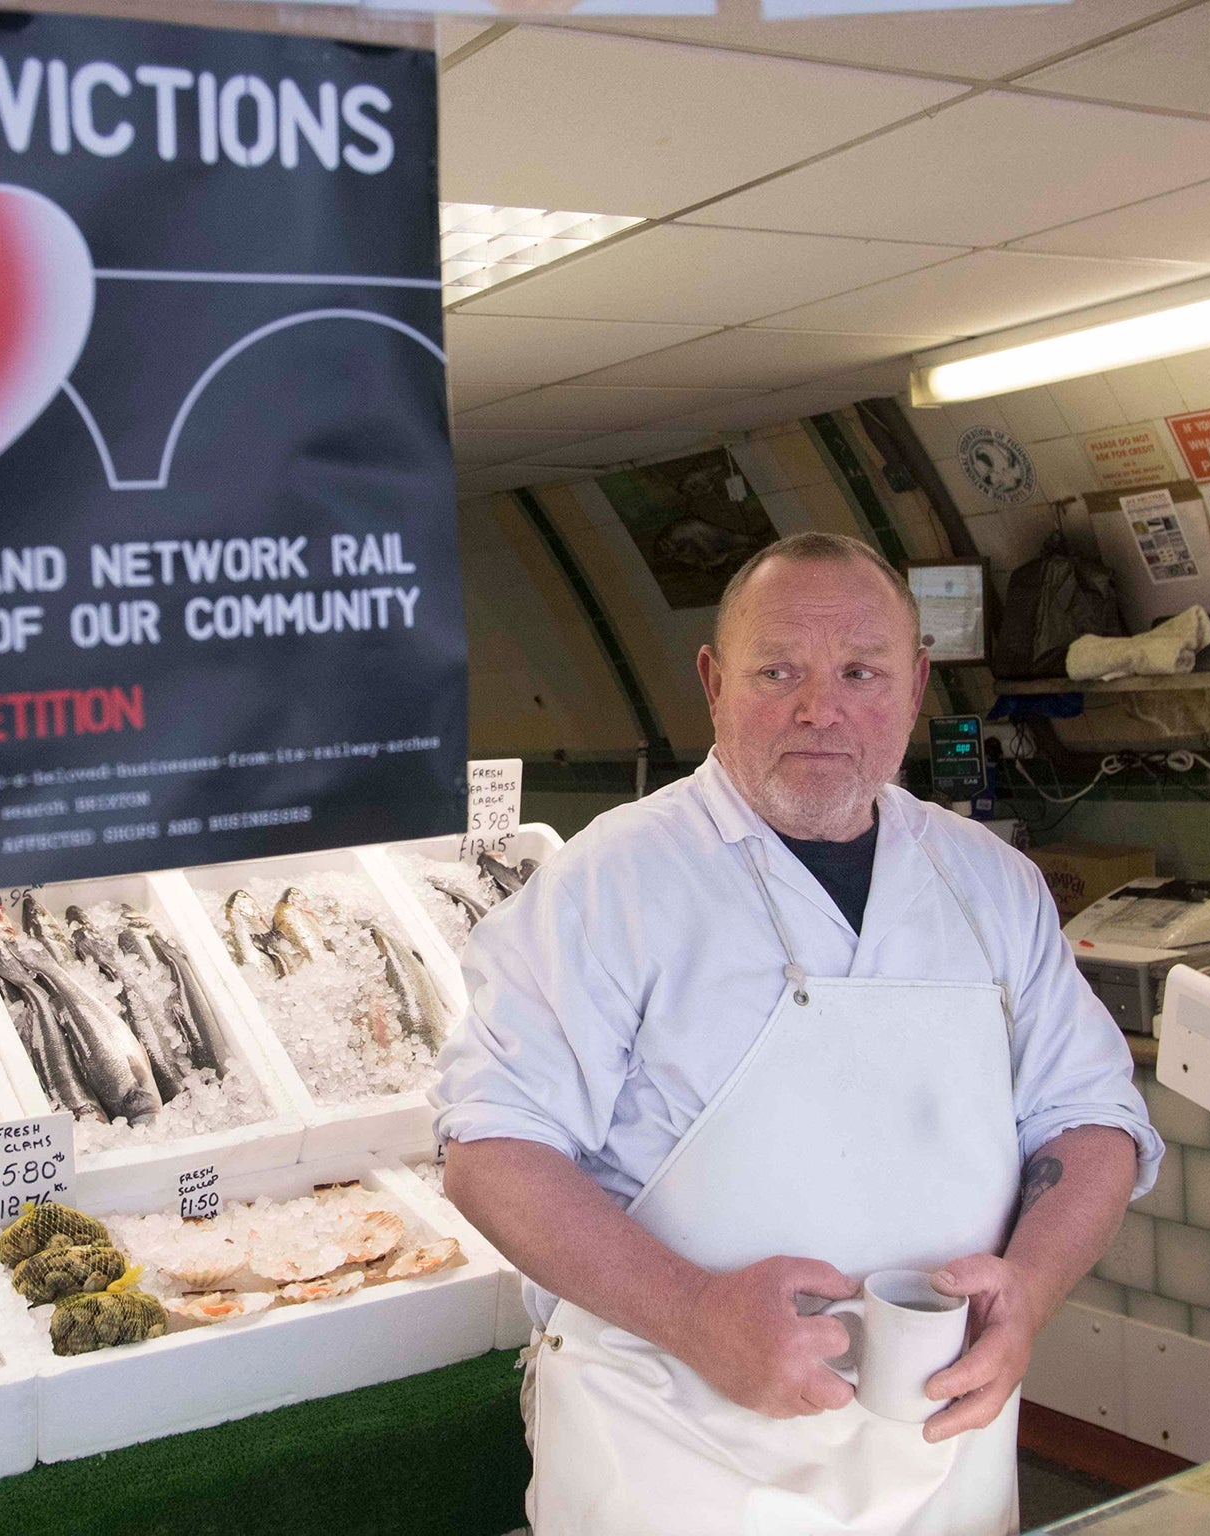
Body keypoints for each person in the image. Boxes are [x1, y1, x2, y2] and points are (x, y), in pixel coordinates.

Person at [434, 531, 1159, 1535]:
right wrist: (697, 1316)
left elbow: (1089, 1123)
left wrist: (1026, 1293)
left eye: (858, 672)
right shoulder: (612, 882)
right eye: (777, 671)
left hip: (940, 1456)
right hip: (675, 1454)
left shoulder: (988, 884)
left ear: (911, 686)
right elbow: (490, 1151)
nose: (818, 708)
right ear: (711, 682)